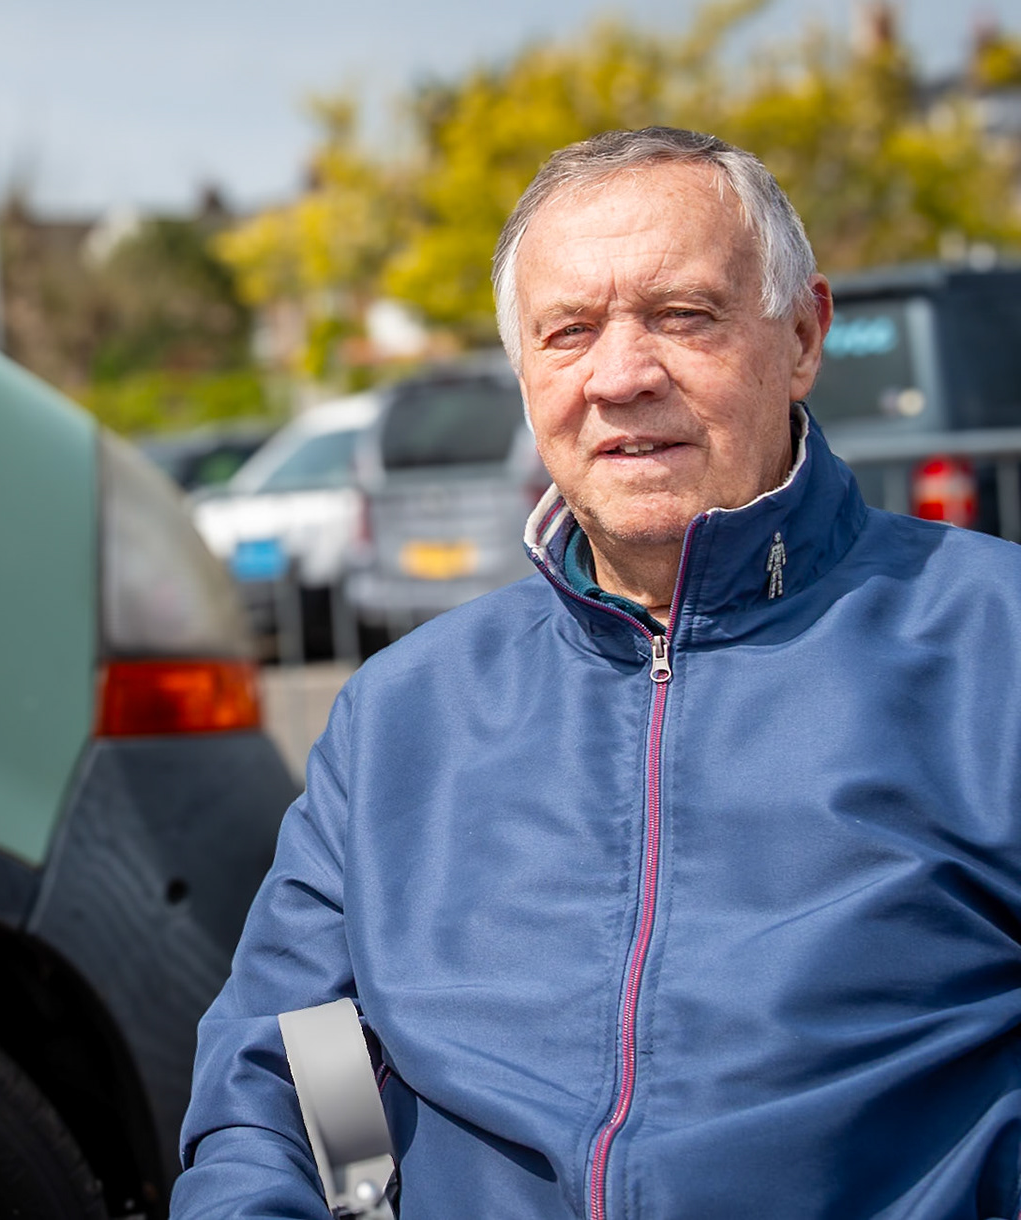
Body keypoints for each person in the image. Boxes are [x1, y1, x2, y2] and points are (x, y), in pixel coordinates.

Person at [173, 126, 1021, 1219]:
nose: (620, 376)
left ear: (803, 333)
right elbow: (305, 1049)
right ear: (527, 375)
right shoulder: (404, 717)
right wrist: (341, 1200)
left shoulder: (990, 646)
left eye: (683, 316)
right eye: (569, 331)